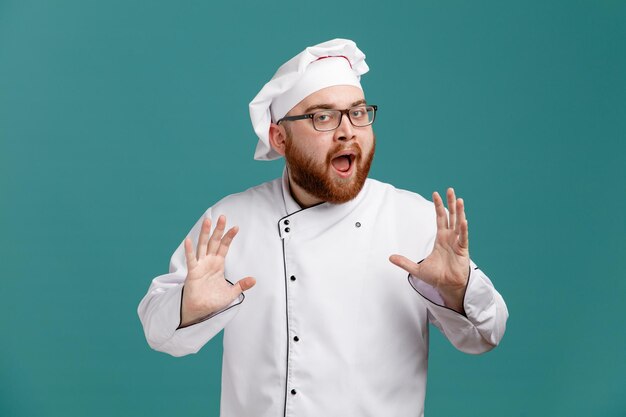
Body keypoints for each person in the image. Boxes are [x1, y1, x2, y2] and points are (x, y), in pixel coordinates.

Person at [138, 38, 508, 417]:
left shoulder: (414, 219)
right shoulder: (232, 222)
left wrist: (459, 290)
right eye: (323, 117)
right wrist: (189, 305)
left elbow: (486, 335)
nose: (348, 131)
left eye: (358, 113)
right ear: (280, 138)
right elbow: (158, 331)